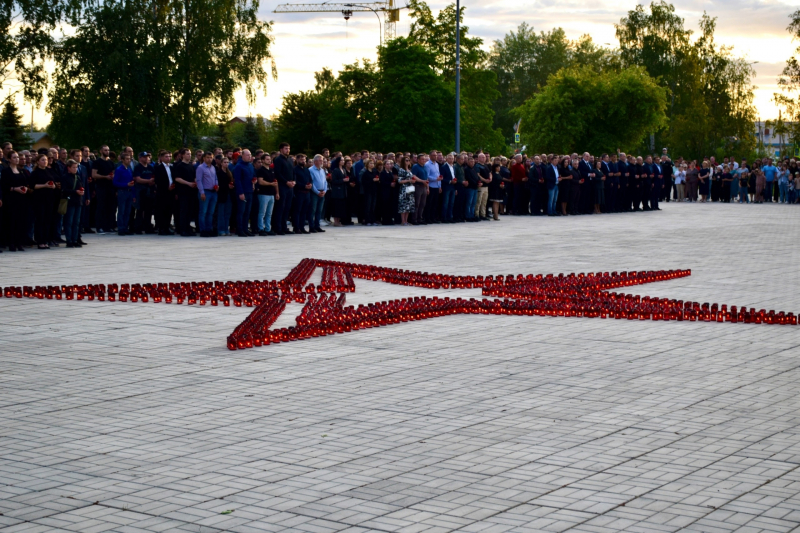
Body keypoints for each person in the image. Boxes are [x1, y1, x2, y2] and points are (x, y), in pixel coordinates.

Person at [0, 151, 29, 251]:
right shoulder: (6, 171)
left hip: (21, 199)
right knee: (12, 221)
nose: (17, 159)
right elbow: (4, 186)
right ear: (9, 159)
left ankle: (19, 242)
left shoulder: (21, 171)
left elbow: (25, 183)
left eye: (17, 157)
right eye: (14, 157)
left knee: (21, 221)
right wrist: (14, 188)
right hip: (11, 199)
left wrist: (24, 188)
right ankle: (11, 243)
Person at [31, 153, 57, 249]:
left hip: (49, 198)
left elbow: (53, 182)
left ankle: (45, 240)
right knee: (40, 220)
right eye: (42, 160)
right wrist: (44, 185)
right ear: (37, 162)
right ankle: (40, 241)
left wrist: (53, 186)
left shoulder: (48, 171)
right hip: (39, 199)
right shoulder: (35, 173)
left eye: (46, 160)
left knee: (47, 220)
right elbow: (33, 186)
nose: (45, 161)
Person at [61, 159, 86, 248]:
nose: (75, 169)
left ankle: (75, 239)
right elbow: (64, 190)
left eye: (76, 167)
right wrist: (75, 191)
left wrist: (81, 191)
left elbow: (81, 186)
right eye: (73, 167)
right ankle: (69, 240)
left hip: (78, 201)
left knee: (76, 222)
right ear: (69, 168)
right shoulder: (65, 177)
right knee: (69, 222)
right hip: (70, 201)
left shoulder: (77, 177)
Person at [91, 145, 115, 234]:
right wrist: (105, 177)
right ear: (101, 151)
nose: (107, 152)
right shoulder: (97, 162)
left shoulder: (111, 162)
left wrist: (113, 177)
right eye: (105, 150)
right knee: (101, 207)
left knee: (110, 207)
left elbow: (113, 173)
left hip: (110, 187)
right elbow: (94, 175)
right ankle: (99, 227)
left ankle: (108, 226)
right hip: (101, 187)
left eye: (108, 150)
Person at [173, 148, 197, 236]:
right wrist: (188, 183)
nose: (189, 155)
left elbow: (194, 176)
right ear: (182, 155)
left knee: (190, 211)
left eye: (190, 154)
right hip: (183, 192)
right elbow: (177, 178)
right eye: (187, 154)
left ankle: (188, 228)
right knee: (184, 211)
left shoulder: (191, 166)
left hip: (191, 191)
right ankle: (182, 229)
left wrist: (195, 182)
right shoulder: (180, 166)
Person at [272, 142, 295, 235]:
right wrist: (286, 182)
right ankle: (278, 227)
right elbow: (278, 173)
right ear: (281, 149)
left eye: (289, 148)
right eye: (286, 148)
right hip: (282, 186)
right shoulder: (277, 160)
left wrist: (294, 181)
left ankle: (284, 226)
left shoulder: (290, 160)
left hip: (290, 187)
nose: (288, 150)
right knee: (280, 207)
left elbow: (293, 172)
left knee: (287, 207)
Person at [195, 151, 218, 237]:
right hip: (205, 191)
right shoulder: (200, 168)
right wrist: (202, 192)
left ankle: (209, 229)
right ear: (204, 158)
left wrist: (217, 185)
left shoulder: (213, 167)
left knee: (210, 212)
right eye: (207, 157)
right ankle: (203, 230)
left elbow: (215, 178)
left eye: (211, 157)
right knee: (203, 212)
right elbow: (199, 180)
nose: (209, 159)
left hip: (213, 192)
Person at [233, 149, 255, 237]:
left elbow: (253, 176)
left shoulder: (250, 165)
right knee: (241, 211)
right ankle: (240, 229)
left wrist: (254, 180)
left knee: (247, 212)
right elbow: (237, 180)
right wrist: (240, 192)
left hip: (250, 191)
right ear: (242, 156)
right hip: (243, 192)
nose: (249, 156)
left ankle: (245, 229)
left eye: (250, 155)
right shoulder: (239, 166)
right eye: (247, 155)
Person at [112, 152, 135, 236]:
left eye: (129, 159)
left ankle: (125, 227)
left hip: (129, 191)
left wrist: (134, 194)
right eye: (127, 159)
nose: (129, 160)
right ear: (122, 160)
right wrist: (126, 185)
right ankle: (121, 228)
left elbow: (132, 181)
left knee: (127, 211)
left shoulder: (129, 169)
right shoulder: (119, 170)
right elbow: (115, 182)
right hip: (122, 191)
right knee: (121, 211)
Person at [133, 152, 156, 234]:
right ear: (140, 158)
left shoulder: (150, 167)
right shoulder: (138, 167)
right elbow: (138, 179)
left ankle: (147, 227)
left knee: (149, 210)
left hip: (149, 190)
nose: (146, 158)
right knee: (140, 210)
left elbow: (154, 177)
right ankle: (138, 228)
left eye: (147, 157)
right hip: (141, 191)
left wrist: (152, 182)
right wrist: (148, 181)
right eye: (144, 157)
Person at [255, 154, 278, 235]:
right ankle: (261, 229)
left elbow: (275, 182)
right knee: (262, 213)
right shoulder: (261, 170)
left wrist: (277, 192)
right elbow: (260, 181)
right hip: (263, 194)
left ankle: (268, 228)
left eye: (269, 159)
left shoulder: (272, 170)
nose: (269, 160)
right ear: (263, 160)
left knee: (269, 213)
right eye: (267, 159)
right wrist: (270, 184)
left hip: (271, 194)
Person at [292, 153, 312, 234]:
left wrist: (310, 184)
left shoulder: (307, 169)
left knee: (304, 211)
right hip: (299, 192)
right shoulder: (295, 169)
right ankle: (296, 227)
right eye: (301, 159)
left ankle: (302, 227)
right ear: (297, 160)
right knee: (297, 211)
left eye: (304, 159)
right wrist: (304, 186)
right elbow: (295, 181)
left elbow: (310, 179)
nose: (303, 161)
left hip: (307, 193)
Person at [308, 154, 327, 233]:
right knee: (313, 210)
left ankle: (317, 225)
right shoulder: (311, 170)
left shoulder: (322, 170)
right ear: (315, 161)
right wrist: (317, 192)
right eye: (320, 160)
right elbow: (311, 183)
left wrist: (325, 190)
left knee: (319, 210)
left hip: (322, 191)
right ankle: (311, 226)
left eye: (322, 160)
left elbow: (325, 182)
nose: (322, 162)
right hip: (315, 192)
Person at [215, 155, 234, 236]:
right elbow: (218, 184)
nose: (226, 164)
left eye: (227, 162)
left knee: (227, 213)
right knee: (221, 213)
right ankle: (221, 229)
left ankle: (226, 229)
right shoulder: (219, 173)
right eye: (225, 162)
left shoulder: (229, 172)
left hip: (228, 194)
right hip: (221, 195)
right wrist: (227, 186)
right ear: (221, 163)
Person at [395, 155, 415, 226]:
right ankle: (403, 221)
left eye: (409, 160)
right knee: (403, 205)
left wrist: (412, 181)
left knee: (409, 205)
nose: (408, 162)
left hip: (410, 188)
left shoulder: (409, 170)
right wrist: (409, 180)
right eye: (406, 160)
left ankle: (406, 220)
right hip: (404, 189)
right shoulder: (401, 170)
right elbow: (399, 181)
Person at [329, 156, 348, 227]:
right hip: (337, 191)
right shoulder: (336, 170)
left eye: (343, 160)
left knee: (341, 207)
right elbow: (334, 181)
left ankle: (339, 220)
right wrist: (342, 180)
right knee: (336, 207)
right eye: (342, 160)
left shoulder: (343, 169)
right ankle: (336, 221)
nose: (343, 161)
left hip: (343, 191)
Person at [361, 158, 379, 226]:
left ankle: (373, 220)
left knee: (373, 206)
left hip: (374, 191)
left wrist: (377, 180)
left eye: (373, 163)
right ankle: (367, 220)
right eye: (370, 163)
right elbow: (364, 182)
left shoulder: (374, 172)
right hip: (368, 191)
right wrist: (372, 180)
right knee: (368, 206)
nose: (372, 165)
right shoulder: (365, 173)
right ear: (367, 165)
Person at [439, 153, 457, 223]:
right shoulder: (443, 167)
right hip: (447, 186)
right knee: (445, 203)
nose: (451, 160)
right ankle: (444, 217)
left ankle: (450, 217)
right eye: (449, 158)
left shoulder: (453, 167)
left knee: (451, 203)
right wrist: (450, 181)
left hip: (453, 186)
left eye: (452, 158)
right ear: (446, 159)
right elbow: (442, 178)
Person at [379, 158, 396, 226]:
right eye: (387, 164)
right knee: (385, 206)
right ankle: (385, 219)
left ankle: (389, 219)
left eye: (390, 164)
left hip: (390, 191)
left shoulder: (390, 172)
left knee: (390, 206)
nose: (389, 165)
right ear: (384, 165)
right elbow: (382, 182)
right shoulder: (382, 173)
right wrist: (389, 184)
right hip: (385, 191)